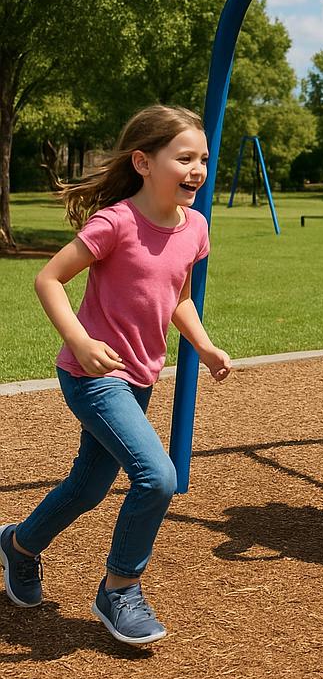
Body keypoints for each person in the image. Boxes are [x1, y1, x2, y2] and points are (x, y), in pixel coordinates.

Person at [0, 105, 231, 646]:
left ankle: (18, 546)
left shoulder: (195, 227)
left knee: (88, 487)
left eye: (203, 159)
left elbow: (177, 296)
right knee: (158, 477)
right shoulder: (116, 222)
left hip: (141, 377)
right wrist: (81, 341)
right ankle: (120, 588)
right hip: (92, 375)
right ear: (143, 163)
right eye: (184, 158)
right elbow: (48, 279)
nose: (197, 170)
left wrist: (203, 345)